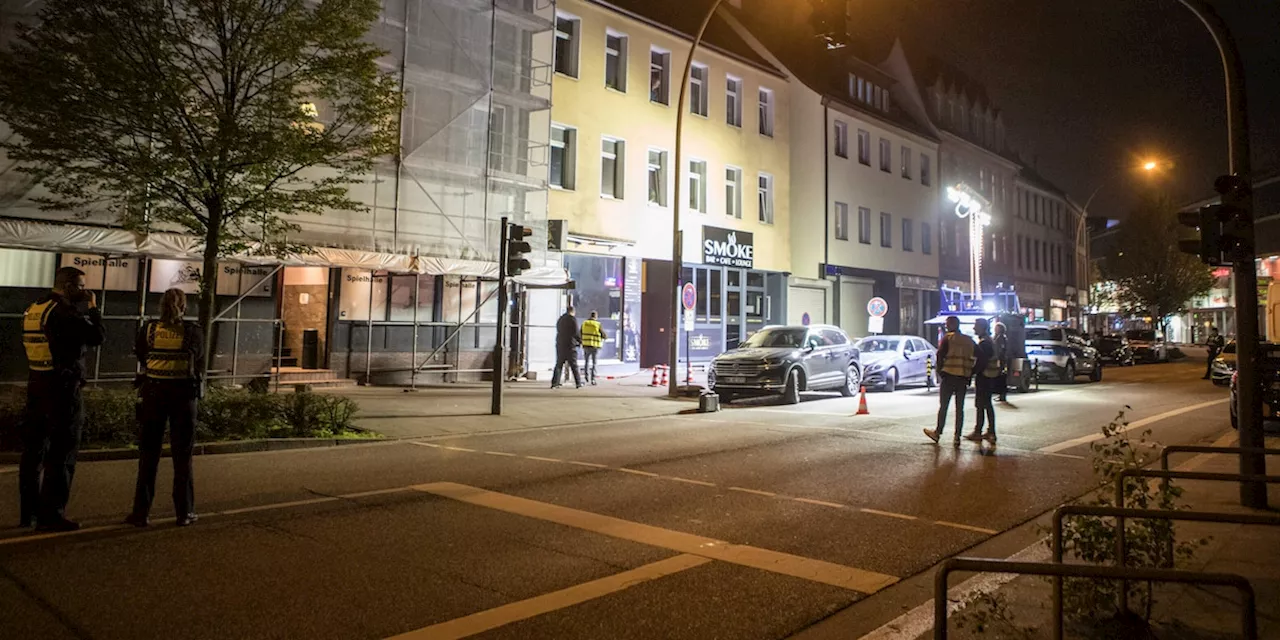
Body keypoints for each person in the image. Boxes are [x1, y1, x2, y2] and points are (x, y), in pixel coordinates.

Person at [19, 266, 105, 531]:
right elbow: (97, 337)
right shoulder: (63, 313)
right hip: (62, 389)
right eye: (80, 286)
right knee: (62, 452)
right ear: (67, 285)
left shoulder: (35, 308)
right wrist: (93, 308)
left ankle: (29, 512)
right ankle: (52, 515)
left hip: (36, 383)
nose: (84, 291)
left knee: (33, 451)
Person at [126, 288, 204, 528]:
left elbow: (141, 354)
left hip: (153, 394)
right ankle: (184, 512)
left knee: (148, 456)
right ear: (184, 307)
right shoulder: (192, 331)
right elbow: (199, 358)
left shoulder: (149, 330)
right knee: (182, 458)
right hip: (182, 396)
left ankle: (141, 513)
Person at [924, 315, 976, 446]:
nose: (946, 327)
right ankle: (957, 436)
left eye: (947, 324)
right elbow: (978, 356)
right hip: (963, 377)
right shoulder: (969, 340)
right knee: (960, 408)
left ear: (952, 325)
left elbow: (940, 355)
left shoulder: (948, 338)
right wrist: (970, 372)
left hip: (949, 376)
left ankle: (937, 433)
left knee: (944, 406)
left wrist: (940, 372)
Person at [965, 318, 1001, 444]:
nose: (974, 328)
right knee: (986, 404)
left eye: (976, 326)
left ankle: (979, 432)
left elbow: (981, 361)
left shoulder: (984, 343)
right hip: (989, 375)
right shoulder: (987, 341)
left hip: (985, 376)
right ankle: (989, 431)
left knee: (981, 404)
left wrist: (972, 373)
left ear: (983, 327)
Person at [551, 306, 582, 389]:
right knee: (574, 365)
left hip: (560, 344)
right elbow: (575, 332)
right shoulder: (572, 319)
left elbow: (558, 329)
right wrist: (580, 341)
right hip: (570, 345)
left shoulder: (560, 319)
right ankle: (578, 383)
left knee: (559, 364)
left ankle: (555, 383)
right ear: (573, 311)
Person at [579, 311, 607, 386]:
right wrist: (605, 337)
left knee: (586, 362)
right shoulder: (597, 324)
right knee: (594, 363)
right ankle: (593, 379)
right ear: (596, 317)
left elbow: (580, 333)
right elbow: (603, 334)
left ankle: (586, 376)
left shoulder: (584, 323)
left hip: (586, 345)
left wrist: (581, 342)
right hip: (594, 346)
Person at [993, 321, 1010, 403]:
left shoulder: (1001, 338)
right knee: (1001, 378)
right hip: (1001, 359)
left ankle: (1002, 395)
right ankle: (1001, 395)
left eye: (996, 328)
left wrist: (998, 359)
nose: (995, 329)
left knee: (1001, 378)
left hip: (1000, 360)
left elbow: (1001, 349)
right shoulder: (1000, 337)